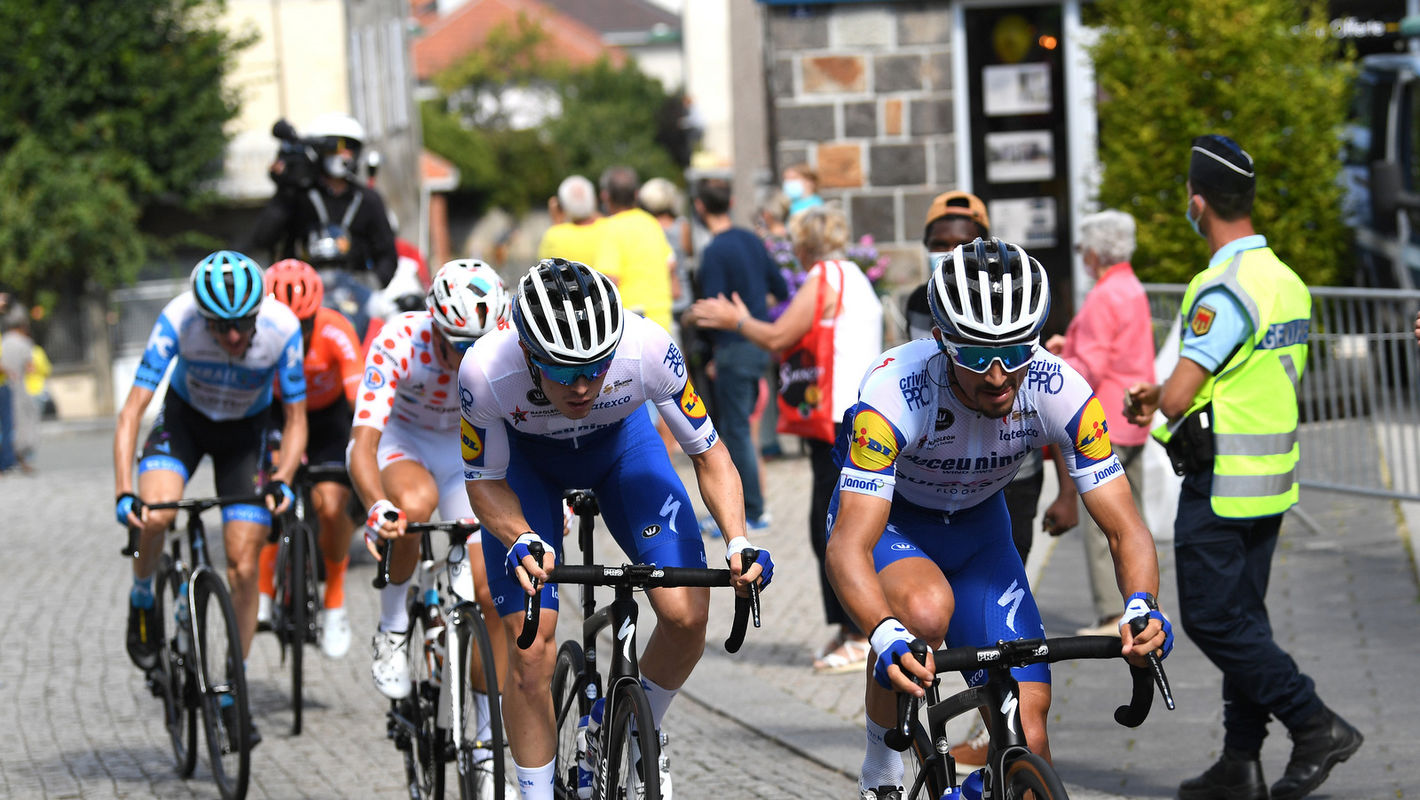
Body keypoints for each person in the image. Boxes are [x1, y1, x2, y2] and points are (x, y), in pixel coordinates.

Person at [827, 237, 1173, 799]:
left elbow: (1123, 525)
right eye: (976, 356)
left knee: (1029, 740)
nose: (997, 375)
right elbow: (847, 548)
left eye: (1014, 353)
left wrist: (1141, 604)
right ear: (940, 341)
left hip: (980, 535)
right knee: (924, 612)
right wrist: (883, 630)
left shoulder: (1060, 389)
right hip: (893, 526)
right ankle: (880, 770)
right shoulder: (895, 390)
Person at [460, 258, 773, 800]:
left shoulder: (647, 346)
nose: (582, 386)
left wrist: (739, 540)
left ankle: (628, 729)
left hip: (622, 451)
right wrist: (518, 535)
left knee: (685, 613)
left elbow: (711, 454)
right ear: (530, 355)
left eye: (596, 368)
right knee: (531, 648)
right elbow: (483, 481)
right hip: (528, 469)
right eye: (563, 371)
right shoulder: (485, 369)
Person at [1127, 134, 1362, 800]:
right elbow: (1250, 374)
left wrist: (1157, 398)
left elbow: (1179, 394)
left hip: (1221, 481)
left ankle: (1315, 724)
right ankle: (1240, 763)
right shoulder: (1285, 281)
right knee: (1245, 622)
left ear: (1197, 203)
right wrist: (1172, 391)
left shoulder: (1223, 287)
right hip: (1270, 481)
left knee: (1211, 621)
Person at [114, 251, 308, 744]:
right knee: (153, 519)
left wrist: (283, 477)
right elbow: (132, 412)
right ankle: (142, 598)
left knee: (244, 564)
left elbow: (296, 419)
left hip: (246, 436)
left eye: (242, 325)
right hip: (185, 423)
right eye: (221, 328)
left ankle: (230, 685)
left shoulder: (283, 328)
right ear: (203, 318)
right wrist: (123, 491)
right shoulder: (177, 319)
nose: (234, 338)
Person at [690, 204, 882, 674]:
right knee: (836, 522)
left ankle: (861, 632)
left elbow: (778, 335)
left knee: (834, 528)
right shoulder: (856, 276)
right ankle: (849, 625)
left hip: (838, 416)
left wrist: (735, 320)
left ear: (802, 244)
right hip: (859, 411)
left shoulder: (824, 277)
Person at [350, 259, 509, 795]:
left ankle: (488, 748)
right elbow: (363, 444)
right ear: (434, 323)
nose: (468, 357)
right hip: (407, 441)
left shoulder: (504, 340)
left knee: (490, 590)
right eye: (456, 344)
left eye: (477, 346)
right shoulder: (399, 341)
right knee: (412, 506)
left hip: (467, 453)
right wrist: (376, 506)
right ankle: (393, 627)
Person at [1042, 209, 1157, 636]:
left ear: (1093, 251)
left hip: (1105, 419)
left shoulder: (1105, 295)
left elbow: (1087, 366)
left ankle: (1113, 613)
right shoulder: (1130, 286)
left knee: (1103, 523)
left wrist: (1054, 360)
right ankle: (1142, 604)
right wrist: (1068, 344)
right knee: (1133, 518)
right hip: (1132, 416)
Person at [257, 259, 363, 658]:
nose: (296, 335)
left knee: (333, 506)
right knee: (265, 496)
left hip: (327, 417)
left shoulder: (336, 329)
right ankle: (264, 590)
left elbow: (358, 397)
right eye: (288, 324)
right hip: (276, 414)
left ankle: (334, 596)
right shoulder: (259, 335)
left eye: (304, 325)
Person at [690, 177, 789, 532]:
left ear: (701, 207)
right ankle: (751, 507)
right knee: (742, 427)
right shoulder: (752, 239)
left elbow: (714, 307)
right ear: (731, 201)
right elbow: (780, 288)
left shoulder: (715, 250)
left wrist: (715, 350)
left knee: (735, 430)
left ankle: (751, 510)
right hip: (759, 342)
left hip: (732, 348)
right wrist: (757, 313)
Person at [247, 112, 398, 336]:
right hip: (301, 302)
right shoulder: (299, 196)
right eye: (334, 146)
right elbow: (263, 237)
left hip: (354, 301)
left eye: (349, 146)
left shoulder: (367, 199)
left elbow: (387, 256)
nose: (342, 154)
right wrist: (285, 190)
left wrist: (368, 284)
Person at [596, 166, 676, 334]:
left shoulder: (610, 227)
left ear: (605, 196)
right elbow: (670, 264)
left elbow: (610, 280)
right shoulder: (651, 222)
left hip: (632, 323)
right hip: (662, 320)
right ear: (636, 194)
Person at [639, 176, 696, 328]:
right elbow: (688, 252)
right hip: (682, 295)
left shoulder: (646, 226)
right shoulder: (682, 225)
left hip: (656, 297)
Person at [536, 175, 604, 268]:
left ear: (562, 205)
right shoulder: (611, 229)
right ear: (594, 200)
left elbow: (545, 268)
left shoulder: (554, 235)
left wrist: (556, 220)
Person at [1, 308, 39, 473]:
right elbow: (31, 367)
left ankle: (8, 461)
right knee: (22, 424)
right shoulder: (24, 343)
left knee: (7, 427)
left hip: (5, 386)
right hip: (17, 388)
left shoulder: (3, 341)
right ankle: (20, 460)